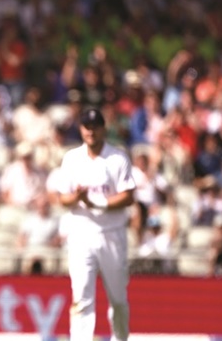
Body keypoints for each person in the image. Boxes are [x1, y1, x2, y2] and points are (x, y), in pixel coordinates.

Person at [57, 108, 136, 341]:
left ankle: (120, 338)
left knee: (118, 298)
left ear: (103, 129)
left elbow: (128, 196)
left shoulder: (117, 157)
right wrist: (78, 199)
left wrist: (97, 203)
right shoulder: (72, 158)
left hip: (112, 235)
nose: (90, 131)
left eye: (95, 127)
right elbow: (63, 198)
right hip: (82, 234)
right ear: (81, 129)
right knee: (81, 296)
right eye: (86, 127)